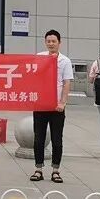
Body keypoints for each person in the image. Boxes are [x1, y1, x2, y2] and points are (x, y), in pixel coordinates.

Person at [30, 29, 74, 184]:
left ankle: (56, 170)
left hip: (57, 107)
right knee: (38, 139)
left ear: (59, 43)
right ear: (45, 42)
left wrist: (63, 102)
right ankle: (38, 169)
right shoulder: (40, 57)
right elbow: (33, 77)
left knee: (57, 140)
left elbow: (67, 83)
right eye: (48, 41)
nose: (51, 44)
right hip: (41, 104)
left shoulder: (65, 61)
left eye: (54, 41)